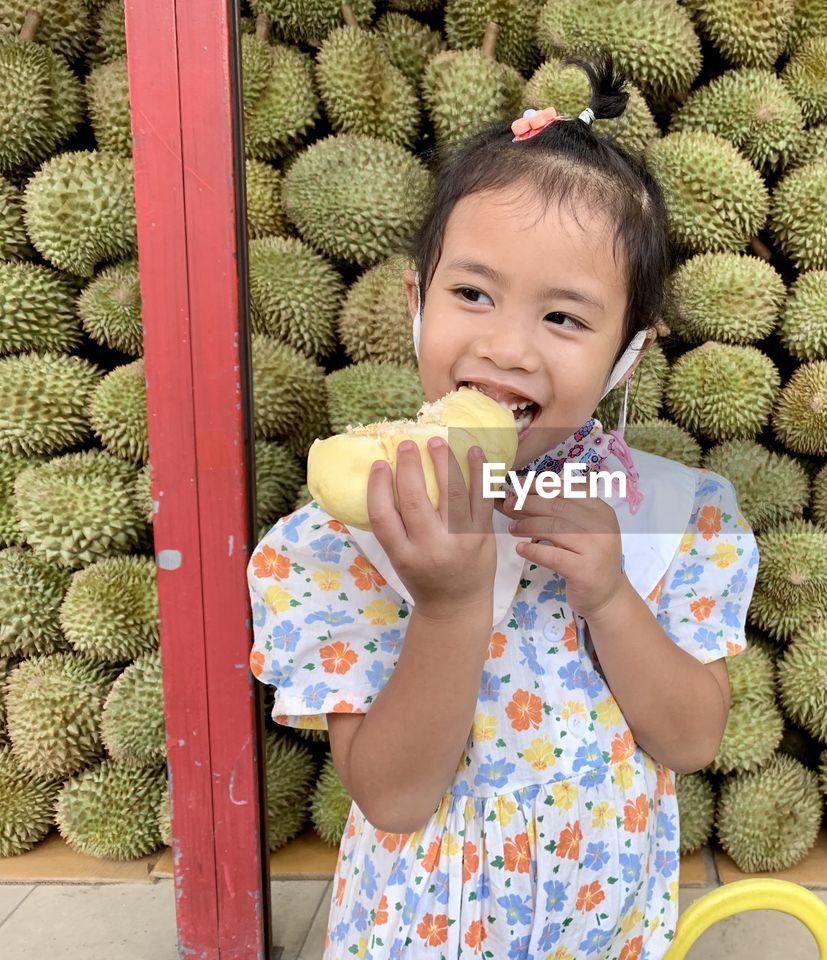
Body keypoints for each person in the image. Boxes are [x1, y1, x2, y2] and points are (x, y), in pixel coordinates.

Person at [247, 53, 759, 960]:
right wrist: (445, 602)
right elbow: (394, 797)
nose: (508, 346)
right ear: (416, 303)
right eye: (472, 294)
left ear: (628, 357)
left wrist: (611, 597)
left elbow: (691, 739)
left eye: (565, 318)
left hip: (602, 934)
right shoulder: (336, 539)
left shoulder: (679, 520)